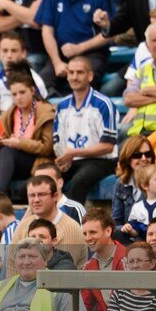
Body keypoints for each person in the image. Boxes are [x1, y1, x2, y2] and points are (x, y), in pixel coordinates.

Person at [0, 71, 55, 202]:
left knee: (8, 150)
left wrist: (19, 143)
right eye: (14, 94)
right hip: (14, 161)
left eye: (22, 92)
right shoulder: (12, 112)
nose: (18, 97)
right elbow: (6, 137)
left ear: (32, 90)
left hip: (37, 162)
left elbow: (48, 148)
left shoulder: (45, 111)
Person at [36, 0, 114, 93]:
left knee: (82, 78)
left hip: (93, 54)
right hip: (61, 55)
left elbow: (111, 32)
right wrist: (57, 62)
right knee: (39, 86)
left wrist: (79, 48)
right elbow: (47, 31)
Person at [53, 56, 120, 202]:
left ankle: (72, 223)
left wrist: (73, 153)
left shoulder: (104, 104)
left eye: (79, 72)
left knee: (78, 182)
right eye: (71, 72)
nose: (74, 77)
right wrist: (63, 160)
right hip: (72, 160)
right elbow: (58, 141)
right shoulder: (62, 106)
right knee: (46, 179)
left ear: (90, 76)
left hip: (101, 161)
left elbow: (108, 146)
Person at [11, 174, 85, 270]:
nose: (36, 200)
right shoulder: (23, 226)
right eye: (32, 195)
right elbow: (11, 267)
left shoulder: (71, 228)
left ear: (55, 196)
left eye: (41, 194)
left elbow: (62, 273)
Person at [81, 209, 127, 311]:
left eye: (92, 232)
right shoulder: (88, 267)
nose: (87, 238)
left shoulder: (129, 260)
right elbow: (86, 307)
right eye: (85, 233)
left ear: (108, 231)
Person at [106, 242, 156, 311]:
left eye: (139, 261)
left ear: (152, 264)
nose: (135, 266)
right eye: (131, 261)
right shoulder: (119, 292)